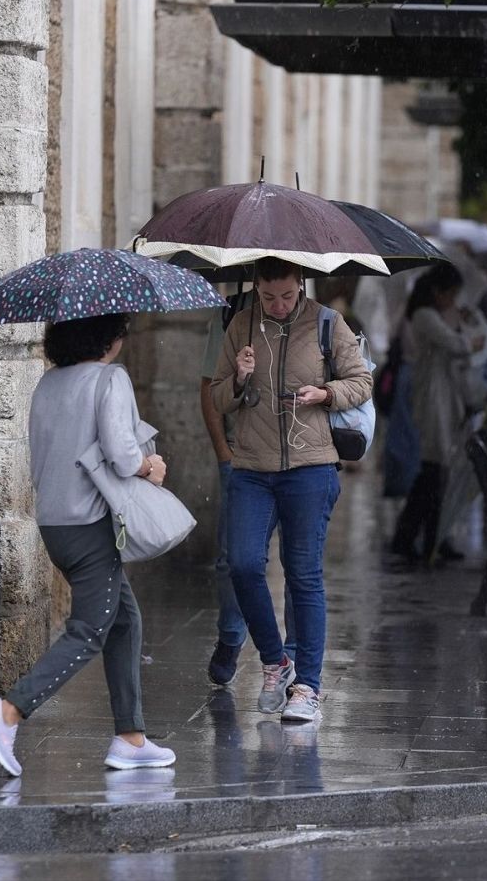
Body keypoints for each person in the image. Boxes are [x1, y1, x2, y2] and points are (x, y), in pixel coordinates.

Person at [0, 312, 176, 776]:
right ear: (108, 337)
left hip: (55, 525)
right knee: (90, 627)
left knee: (124, 620)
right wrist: (151, 467)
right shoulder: (110, 379)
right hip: (91, 524)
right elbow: (123, 454)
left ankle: (131, 737)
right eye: (121, 331)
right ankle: (8, 712)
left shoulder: (47, 384)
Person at [211, 258, 373, 723]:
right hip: (252, 469)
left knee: (303, 574)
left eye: (285, 295)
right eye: (268, 297)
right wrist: (239, 378)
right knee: (241, 564)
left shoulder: (326, 322)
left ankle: (307, 687)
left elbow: (361, 381)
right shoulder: (240, 324)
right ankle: (274, 660)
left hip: (310, 467)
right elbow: (218, 395)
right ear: (257, 289)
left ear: (300, 285)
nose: (277, 305)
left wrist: (325, 393)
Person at [198, 288, 293, 687]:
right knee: (235, 559)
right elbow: (210, 387)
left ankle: (292, 654)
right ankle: (232, 637)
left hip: (299, 459)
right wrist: (224, 453)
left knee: (299, 564)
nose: (279, 302)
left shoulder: (315, 318)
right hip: (244, 458)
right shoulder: (231, 317)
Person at [389, 263, 485, 565]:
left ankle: (428, 536)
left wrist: (464, 323)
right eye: (451, 294)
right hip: (433, 398)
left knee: (436, 470)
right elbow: (456, 345)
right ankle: (420, 536)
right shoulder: (424, 316)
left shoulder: (434, 315)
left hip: (444, 396)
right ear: (438, 292)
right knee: (434, 470)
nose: (454, 301)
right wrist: (472, 339)